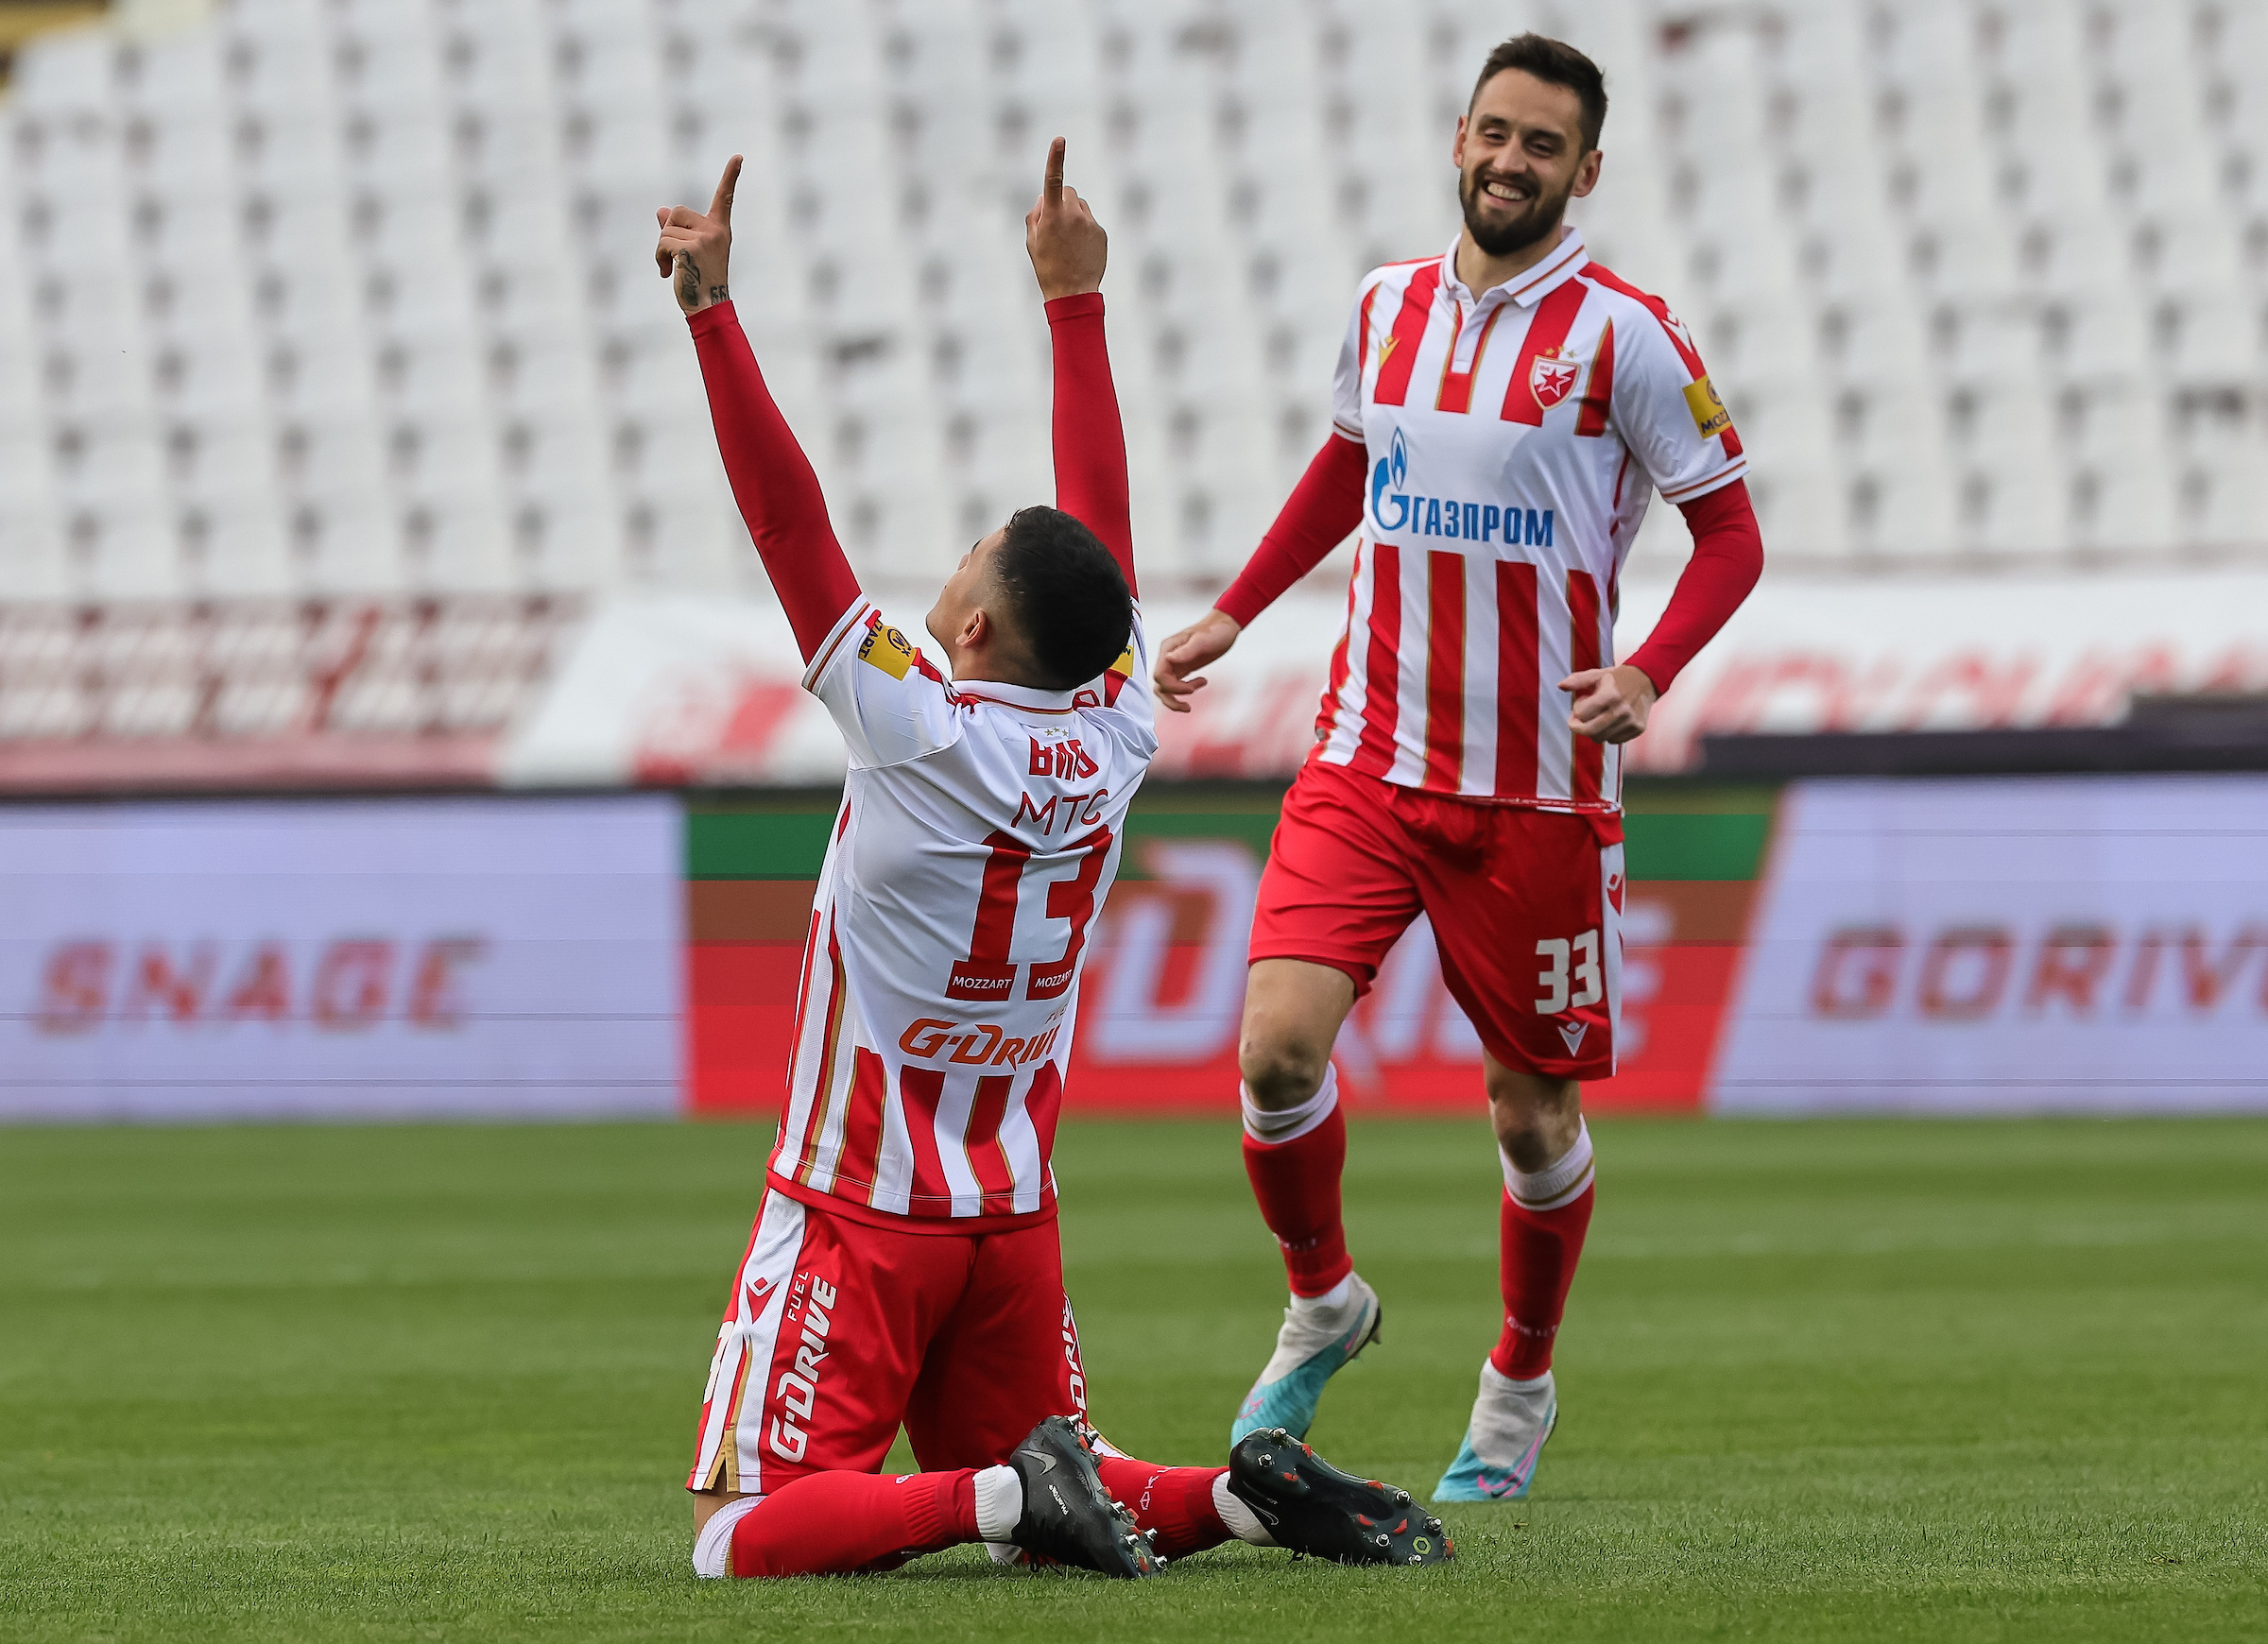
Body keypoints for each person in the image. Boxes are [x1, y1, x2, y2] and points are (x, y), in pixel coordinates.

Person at [657, 141, 1452, 1579]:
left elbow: (790, 523)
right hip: (1008, 1207)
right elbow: (1109, 539)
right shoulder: (1120, 722)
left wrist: (714, 314)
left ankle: (1007, 1502)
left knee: (741, 1533)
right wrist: (1075, 304)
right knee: (1067, 1470)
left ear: (969, 628)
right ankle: (1234, 1495)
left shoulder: (917, 725)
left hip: (863, 1202)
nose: (954, 557)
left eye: (972, 550)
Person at [1153, 35, 1765, 1502]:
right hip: (1367, 760)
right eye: (1494, 132)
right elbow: (1350, 469)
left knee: (1531, 1117)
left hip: (1537, 794)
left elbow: (1732, 539)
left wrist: (1645, 671)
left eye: (1542, 145)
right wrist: (1236, 609)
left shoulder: (1629, 337)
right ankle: (1324, 1303)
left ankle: (1520, 1379)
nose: (1510, 161)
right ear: (1459, 138)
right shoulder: (1385, 305)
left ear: (1585, 171)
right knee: (1275, 1054)